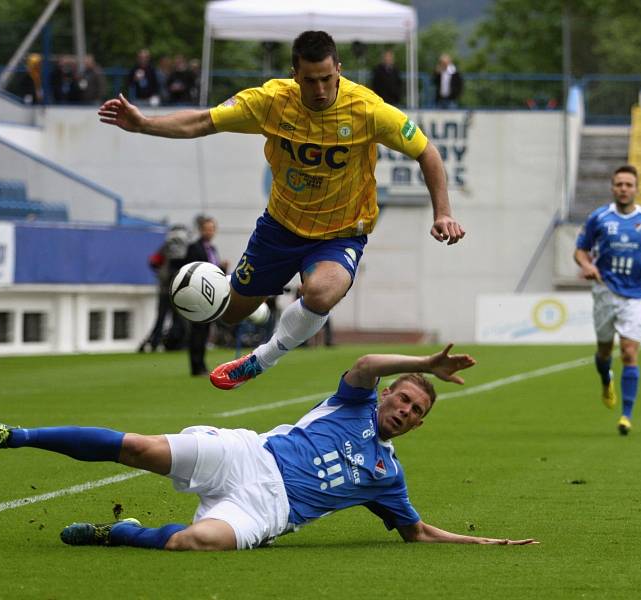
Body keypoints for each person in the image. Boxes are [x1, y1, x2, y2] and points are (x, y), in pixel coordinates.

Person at [98, 31, 465, 391]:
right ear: (295, 75)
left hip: (340, 233)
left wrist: (442, 212)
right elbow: (203, 121)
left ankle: (262, 358)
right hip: (280, 228)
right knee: (230, 314)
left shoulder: (367, 109)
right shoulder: (270, 101)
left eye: (327, 78)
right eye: (310, 81)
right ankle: (262, 306)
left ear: (339, 68)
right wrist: (144, 124)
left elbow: (427, 152)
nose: (320, 89)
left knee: (322, 292)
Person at [0, 344, 537, 550]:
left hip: (268, 510)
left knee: (195, 542)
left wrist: (481, 539)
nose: (406, 411)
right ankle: (14, 436)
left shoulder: (388, 474)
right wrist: (424, 362)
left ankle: (122, 532)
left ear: (417, 425)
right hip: (249, 455)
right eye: (404, 399)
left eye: (417, 412)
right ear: (389, 397)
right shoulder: (355, 401)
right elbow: (363, 364)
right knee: (137, 448)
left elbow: (417, 531)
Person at [573, 165, 641, 435]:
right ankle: (606, 378)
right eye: (619, 184)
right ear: (613, 188)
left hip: (636, 294)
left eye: (629, 184)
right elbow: (580, 251)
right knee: (604, 353)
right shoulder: (599, 217)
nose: (624, 189)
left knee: (628, 352)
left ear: (636, 189)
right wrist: (587, 265)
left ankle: (626, 415)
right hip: (604, 291)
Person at [185, 216, 228, 376]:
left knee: (205, 331)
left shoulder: (213, 249)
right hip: (198, 294)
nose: (209, 232)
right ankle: (195, 366)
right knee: (197, 330)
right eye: (206, 229)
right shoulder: (194, 248)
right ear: (201, 230)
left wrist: (221, 268)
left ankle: (202, 364)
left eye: (211, 229)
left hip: (211, 296)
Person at [139, 224, 190, 353]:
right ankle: (179, 343)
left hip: (165, 287)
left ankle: (155, 343)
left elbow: (153, 262)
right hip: (180, 288)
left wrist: (160, 274)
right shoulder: (187, 248)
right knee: (180, 318)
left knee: (161, 317)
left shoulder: (165, 247)